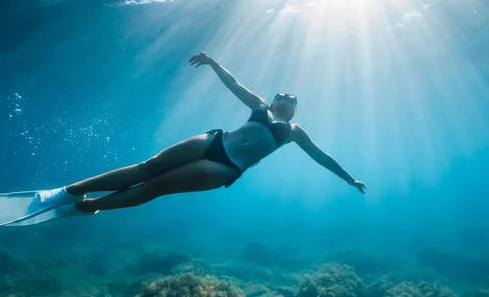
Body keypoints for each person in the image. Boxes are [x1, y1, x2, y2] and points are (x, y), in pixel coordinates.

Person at [35, 52, 366, 215]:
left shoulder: (294, 132)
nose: (285, 101)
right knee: (145, 168)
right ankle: (67, 191)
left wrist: (349, 179)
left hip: (225, 166)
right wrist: (212, 61)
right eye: (282, 96)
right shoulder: (260, 106)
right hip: (214, 140)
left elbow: (322, 157)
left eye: (292, 101)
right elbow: (234, 84)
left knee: (154, 187)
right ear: (275, 98)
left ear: (295, 111)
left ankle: (90, 206)